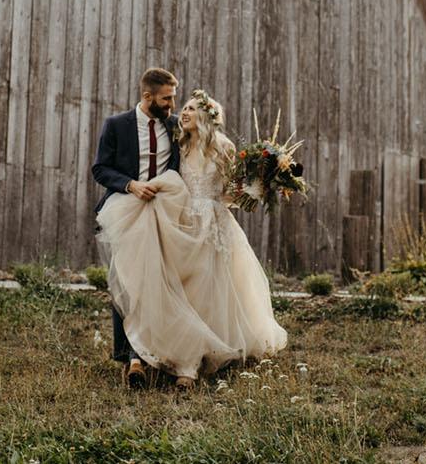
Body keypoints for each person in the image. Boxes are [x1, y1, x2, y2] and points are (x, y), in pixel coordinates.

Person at [94, 85, 288, 389]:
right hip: (182, 221)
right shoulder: (180, 145)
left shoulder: (223, 148)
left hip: (213, 223)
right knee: (183, 291)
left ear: (206, 116)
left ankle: (194, 365)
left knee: (211, 292)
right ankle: (168, 355)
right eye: (181, 107)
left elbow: (228, 193)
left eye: (190, 108)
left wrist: (254, 188)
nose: (181, 111)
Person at [91, 67, 181, 388]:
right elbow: (100, 168)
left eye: (173, 98)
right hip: (127, 209)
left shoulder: (175, 127)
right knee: (126, 282)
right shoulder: (116, 125)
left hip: (165, 213)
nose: (172, 105)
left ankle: (160, 351)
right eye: (166, 99)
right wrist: (130, 185)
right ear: (147, 97)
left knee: (162, 282)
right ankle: (130, 357)